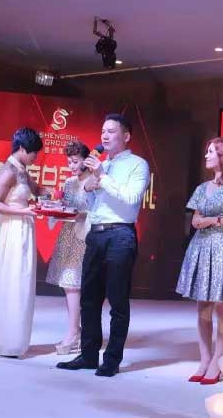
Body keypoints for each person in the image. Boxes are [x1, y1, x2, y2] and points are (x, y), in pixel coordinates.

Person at [57, 114, 149, 376]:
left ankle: (112, 360)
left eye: (111, 131)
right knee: (89, 298)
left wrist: (102, 176)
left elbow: (131, 197)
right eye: (102, 131)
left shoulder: (137, 164)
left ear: (126, 136)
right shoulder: (101, 163)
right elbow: (93, 205)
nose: (105, 136)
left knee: (117, 300)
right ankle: (88, 355)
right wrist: (88, 188)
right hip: (95, 234)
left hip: (120, 234)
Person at [176, 137, 223, 385]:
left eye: (211, 152)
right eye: (207, 151)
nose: (206, 156)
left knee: (222, 306)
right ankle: (205, 359)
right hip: (201, 246)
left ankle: (218, 361)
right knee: (203, 307)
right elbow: (196, 217)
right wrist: (198, 221)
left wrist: (215, 220)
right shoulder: (201, 188)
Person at [0, 127, 45, 357]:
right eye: (33, 152)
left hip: (24, 226)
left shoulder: (22, 169)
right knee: (12, 280)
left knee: (22, 281)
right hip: (12, 229)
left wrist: (57, 194)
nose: (36, 156)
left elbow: (36, 190)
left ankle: (14, 339)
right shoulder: (8, 170)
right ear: (21, 148)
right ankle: (6, 341)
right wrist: (23, 212)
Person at [45, 141, 91, 354]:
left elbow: (96, 211)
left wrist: (79, 214)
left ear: (85, 160)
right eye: (69, 162)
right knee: (68, 284)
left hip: (85, 236)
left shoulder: (94, 181)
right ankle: (76, 331)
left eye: (75, 161)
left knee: (74, 284)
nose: (71, 166)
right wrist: (56, 208)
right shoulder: (69, 183)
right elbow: (66, 207)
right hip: (68, 235)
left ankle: (74, 333)